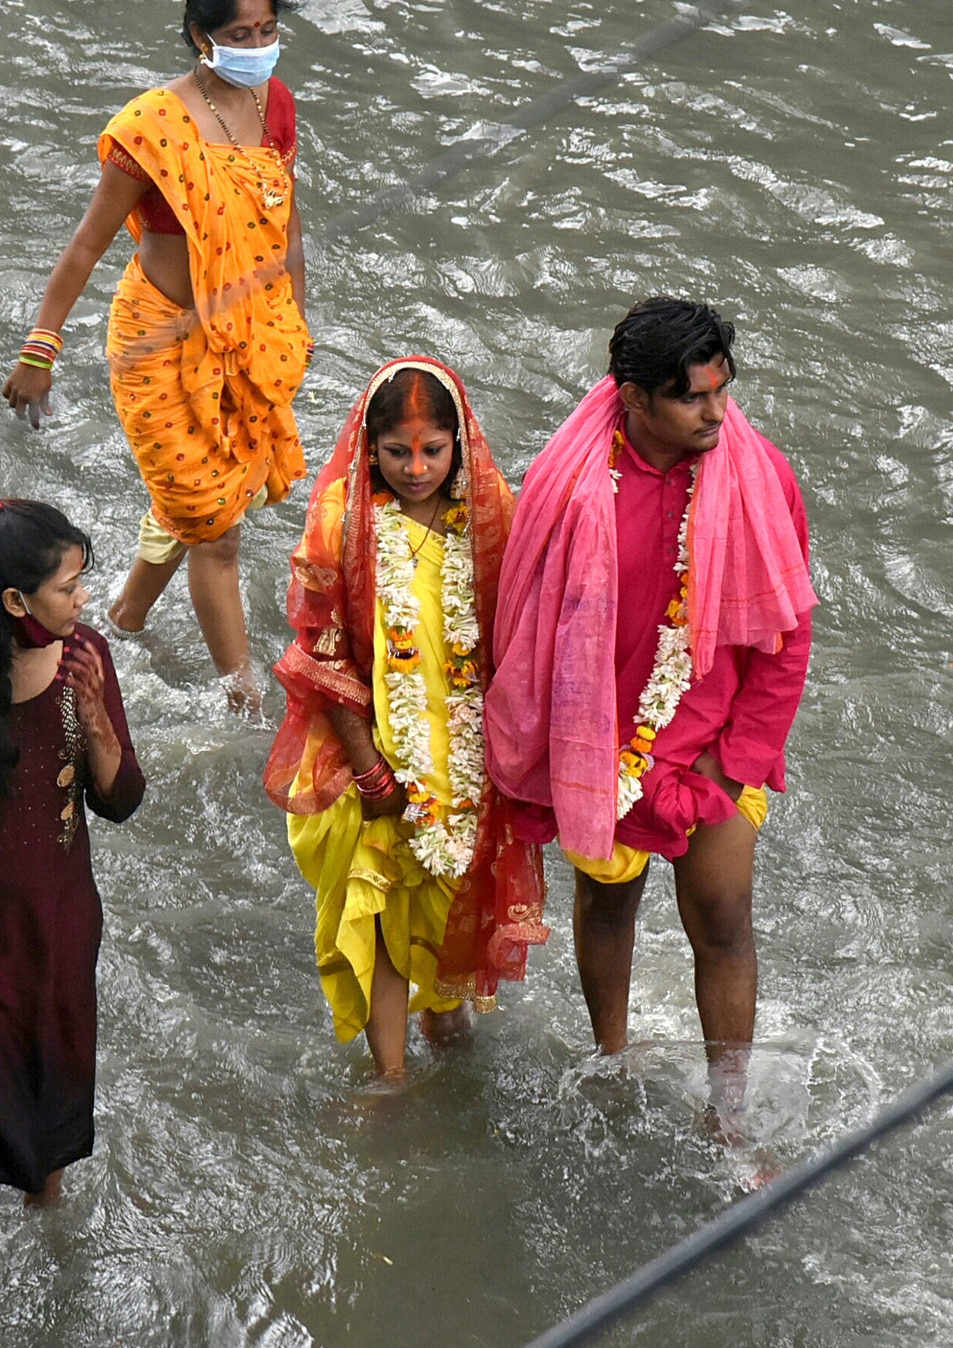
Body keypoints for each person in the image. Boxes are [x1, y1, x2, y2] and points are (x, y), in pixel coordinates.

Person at [484, 299, 817, 1132]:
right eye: (693, 398)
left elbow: (787, 633)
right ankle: (611, 1057)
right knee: (608, 906)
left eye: (723, 391)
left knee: (723, 918)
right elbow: (523, 622)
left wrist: (735, 759)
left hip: (715, 750)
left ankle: (729, 1109)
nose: (717, 413)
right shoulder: (569, 484)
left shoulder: (760, 475)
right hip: (600, 753)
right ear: (633, 397)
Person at [2, 0, 311, 713]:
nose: (259, 47)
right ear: (203, 36)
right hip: (158, 346)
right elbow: (87, 244)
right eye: (240, 35)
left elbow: (284, 224)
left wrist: (294, 327)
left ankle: (125, 617)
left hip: (248, 336)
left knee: (198, 500)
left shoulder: (276, 107)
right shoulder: (151, 129)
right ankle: (245, 701)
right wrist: (40, 348)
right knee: (218, 535)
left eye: (267, 32)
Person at [265, 357, 547, 1079]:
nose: (416, 468)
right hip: (374, 756)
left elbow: (521, 635)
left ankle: (447, 1034)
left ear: (459, 445)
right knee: (383, 910)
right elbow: (322, 658)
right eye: (397, 452)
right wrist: (368, 768)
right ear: (370, 448)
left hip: (466, 756)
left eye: (432, 450)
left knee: (452, 908)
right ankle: (390, 1080)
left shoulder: (488, 515)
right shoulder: (342, 519)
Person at [0, 500, 145, 1208]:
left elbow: (119, 802)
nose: (84, 598)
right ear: (14, 600)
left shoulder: (85, 656)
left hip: (57, 922)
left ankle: (45, 1215)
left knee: (49, 1090)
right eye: (67, 586)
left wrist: (97, 729)